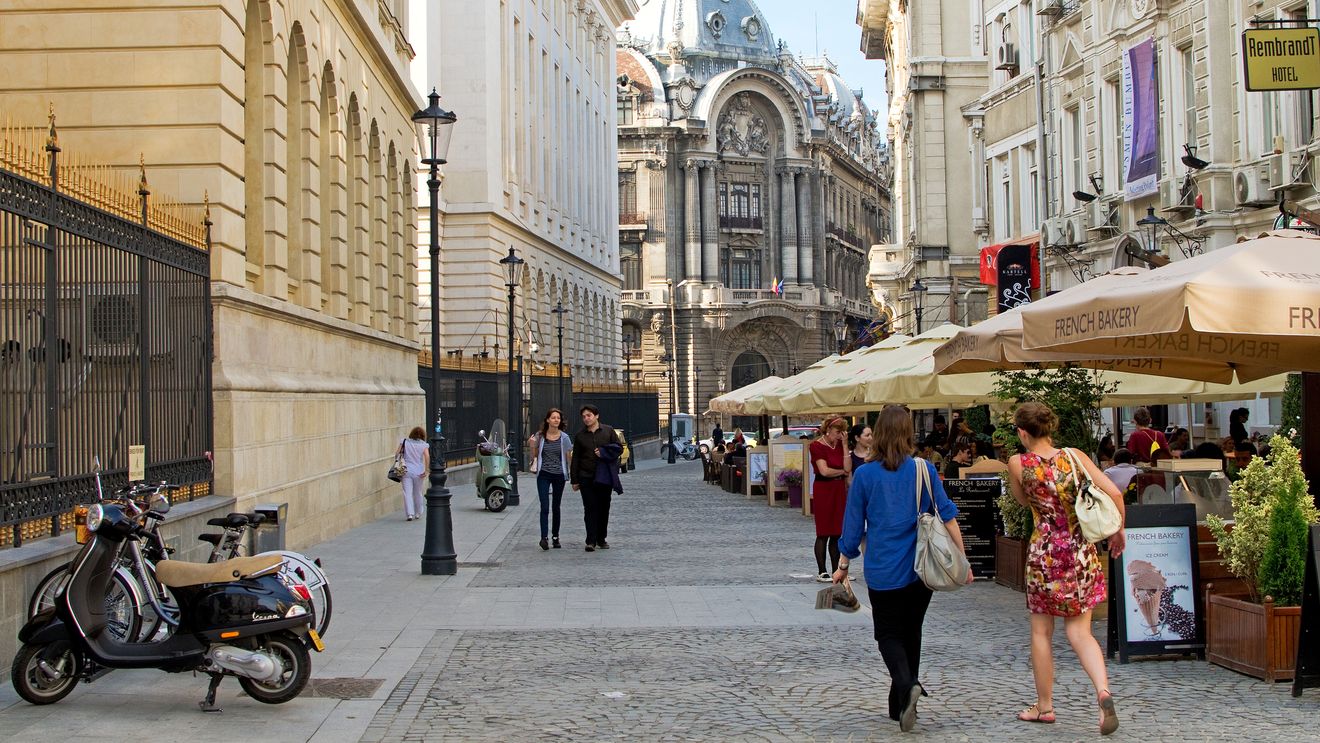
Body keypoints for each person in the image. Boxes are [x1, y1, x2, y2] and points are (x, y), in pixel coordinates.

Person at [836, 405, 969, 732]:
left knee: (887, 634)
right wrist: (962, 560)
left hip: (883, 568)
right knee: (911, 631)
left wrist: (843, 564)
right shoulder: (924, 469)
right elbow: (948, 514)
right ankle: (900, 705)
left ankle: (907, 686)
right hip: (920, 569)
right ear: (908, 433)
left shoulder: (865, 475)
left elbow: (852, 527)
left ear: (878, 434)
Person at [1007, 402, 1126, 736]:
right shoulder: (1074, 457)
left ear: (1022, 433)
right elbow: (1114, 493)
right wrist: (1118, 530)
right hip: (1080, 552)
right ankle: (1102, 692)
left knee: (1041, 633)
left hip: (1044, 555)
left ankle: (1044, 706)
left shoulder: (1018, 464)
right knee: (1080, 633)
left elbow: (1022, 501)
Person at [570, 404, 618, 552]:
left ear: (596, 416)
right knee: (590, 508)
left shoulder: (608, 431)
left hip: (604, 476)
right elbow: (576, 458)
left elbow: (617, 449)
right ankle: (590, 540)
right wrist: (574, 480)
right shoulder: (580, 435)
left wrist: (604, 453)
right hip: (586, 476)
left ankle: (601, 538)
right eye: (584, 416)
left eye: (589, 415)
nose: (586, 418)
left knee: (604, 508)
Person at [809, 418, 850, 582]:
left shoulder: (840, 445)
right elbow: (824, 471)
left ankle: (836, 569)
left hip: (839, 489)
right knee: (823, 531)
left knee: (837, 532)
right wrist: (842, 472)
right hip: (824, 489)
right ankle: (822, 571)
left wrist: (845, 445)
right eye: (837, 432)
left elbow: (848, 467)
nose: (840, 435)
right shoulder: (816, 446)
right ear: (828, 430)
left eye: (842, 432)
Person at [528, 408, 570, 551]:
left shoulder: (564, 438)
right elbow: (534, 455)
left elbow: (568, 457)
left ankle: (555, 537)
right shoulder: (540, 436)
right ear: (547, 420)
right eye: (553, 417)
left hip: (559, 475)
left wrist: (572, 474)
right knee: (544, 506)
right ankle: (544, 537)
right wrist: (532, 445)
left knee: (556, 506)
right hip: (544, 474)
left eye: (558, 418)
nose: (556, 420)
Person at [397, 426, 429, 522]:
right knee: (417, 492)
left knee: (407, 493)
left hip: (406, 471)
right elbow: (427, 457)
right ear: (423, 435)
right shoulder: (424, 445)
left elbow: (397, 454)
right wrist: (426, 470)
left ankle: (409, 514)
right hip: (419, 472)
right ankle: (418, 512)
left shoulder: (404, 442)